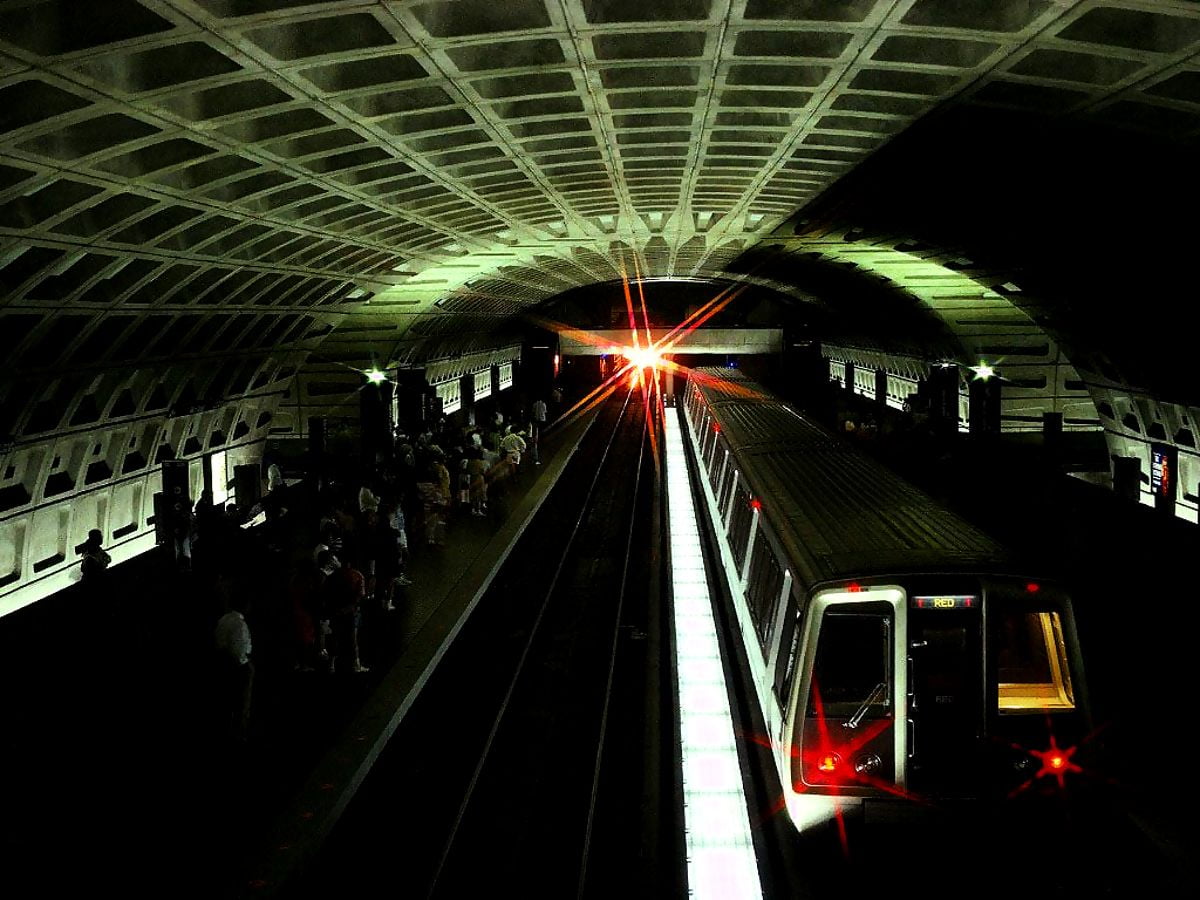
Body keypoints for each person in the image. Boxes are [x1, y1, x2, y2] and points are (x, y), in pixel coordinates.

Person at [214, 593, 254, 742]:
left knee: (228, 698)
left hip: (224, 663)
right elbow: (239, 651)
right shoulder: (239, 623)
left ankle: (229, 729)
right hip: (238, 665)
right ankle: (240, 732)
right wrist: (246, 661)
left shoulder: (224, 619)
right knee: (241, 700)